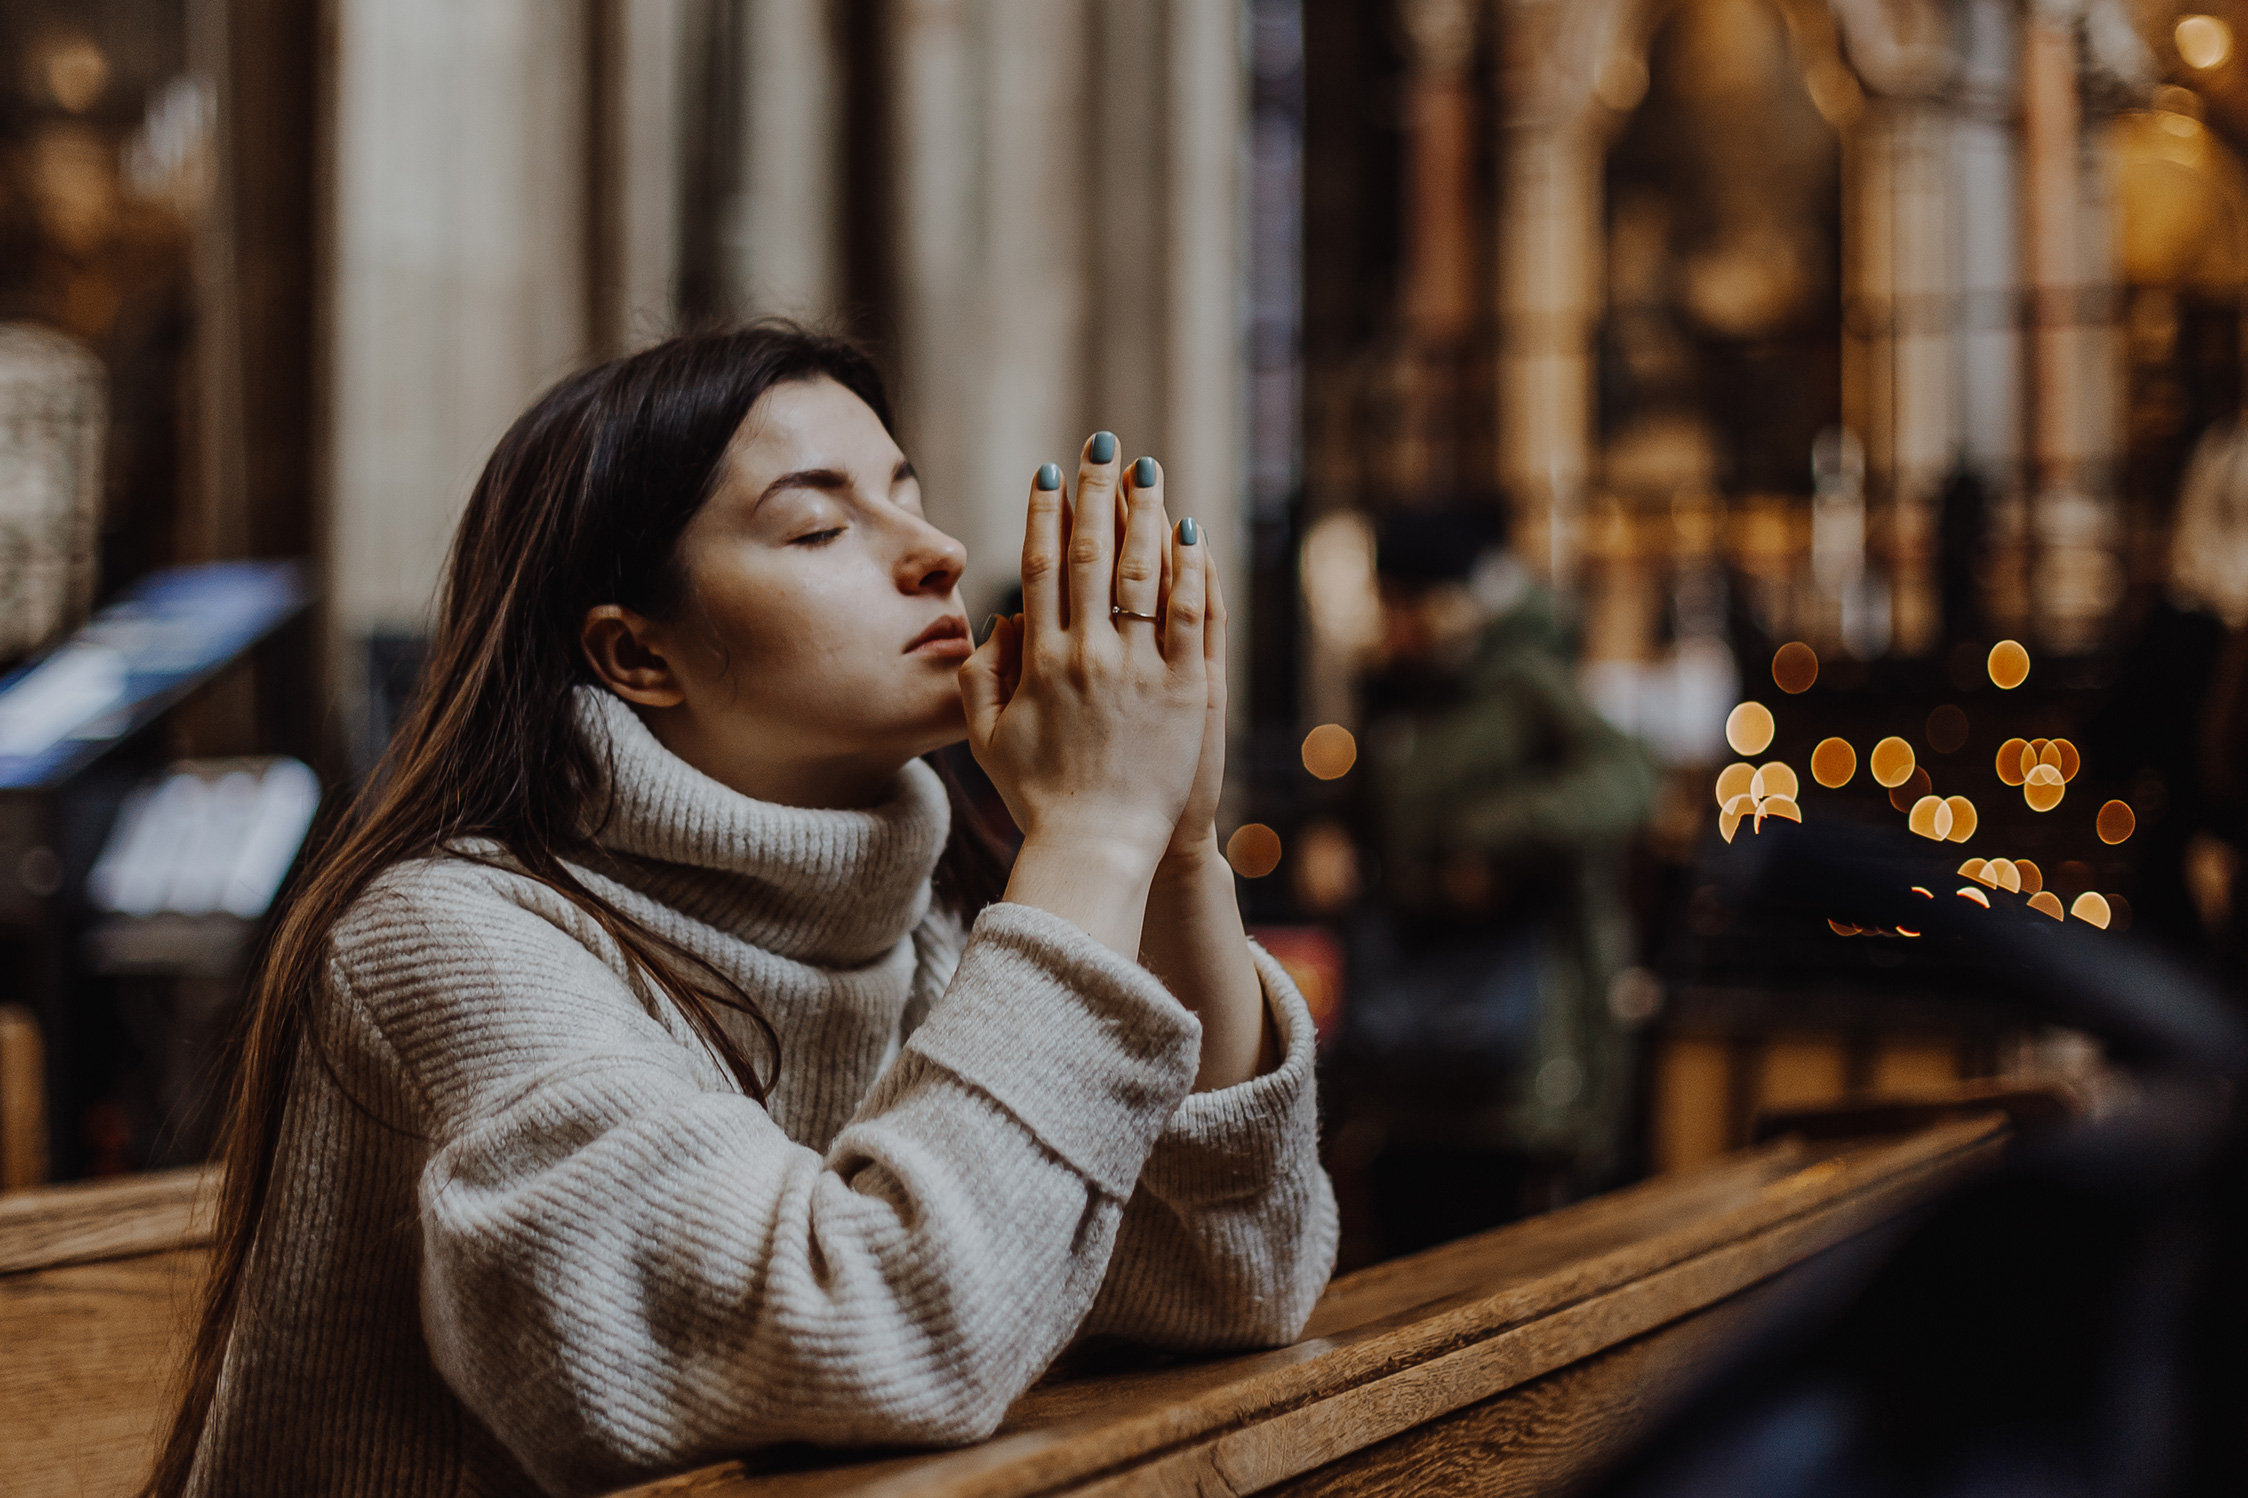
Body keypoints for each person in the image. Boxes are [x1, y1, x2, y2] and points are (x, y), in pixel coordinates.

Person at [147, 324, 1337, 1497]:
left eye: (907, 498)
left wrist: (1173, 850)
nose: (935, 552)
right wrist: (1089, 836)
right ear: (636, 655)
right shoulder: (448, 938)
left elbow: (1227, 1284)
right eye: (820, 526)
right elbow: (872, 1331)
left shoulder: (925, 928)